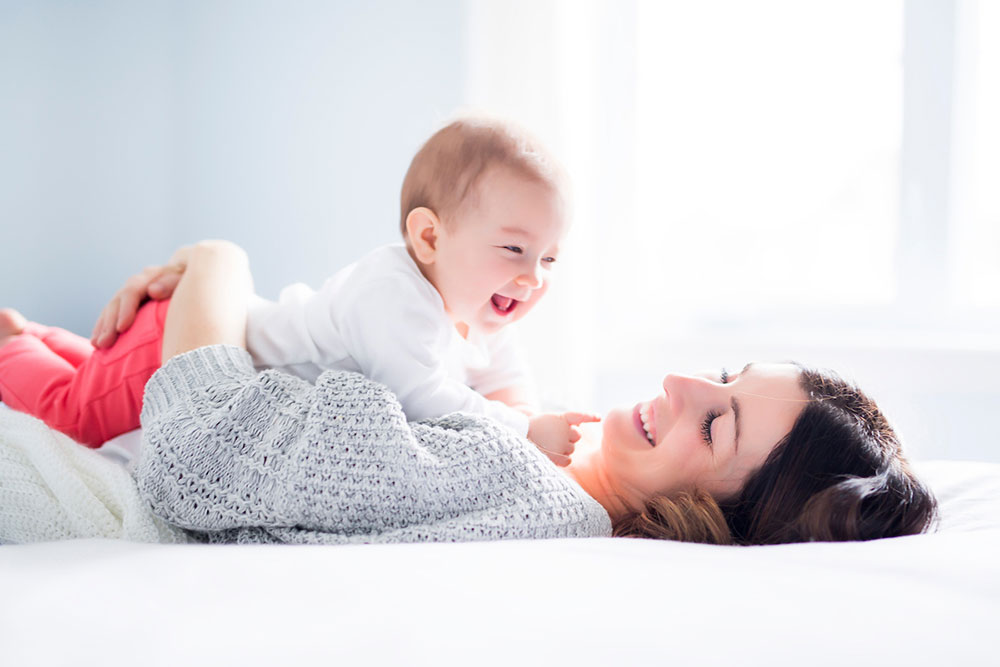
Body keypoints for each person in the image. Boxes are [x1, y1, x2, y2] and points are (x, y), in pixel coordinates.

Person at [15, 240, 933, 545]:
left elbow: (205, 457)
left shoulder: (516, 488)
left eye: (716, 417)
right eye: (723, 374)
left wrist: (218, 264)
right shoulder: (545, 467)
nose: (680, 382)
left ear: (713, 515)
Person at [0, 117, 594, 465]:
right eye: (514, 250)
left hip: (183, 334)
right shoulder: (394, 294)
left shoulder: (480, 315)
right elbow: (419, 399)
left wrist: (530, 417)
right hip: (182, 343)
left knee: (95, 377)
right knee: (74, 415)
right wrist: (523, 434)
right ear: (430, 236)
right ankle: (10, 348)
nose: (533, 276)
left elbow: (506, 383)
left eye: (550, 258)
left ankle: (39, 336)